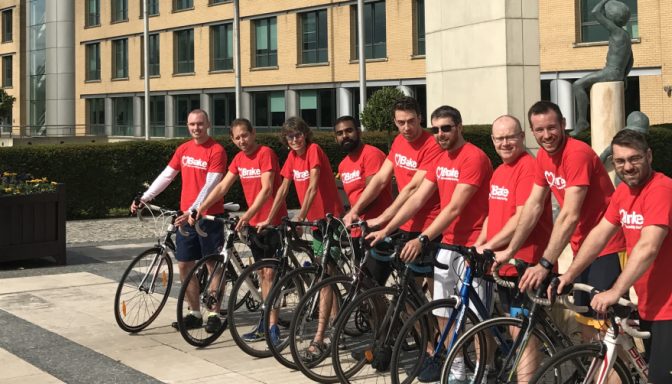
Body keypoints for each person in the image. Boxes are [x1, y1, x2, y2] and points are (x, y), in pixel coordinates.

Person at [367, 105, 493, 382]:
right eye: (436, 129)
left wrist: (423, 238)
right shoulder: (441, 159)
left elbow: (454, 208)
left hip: (474, 244)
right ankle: (456, 367)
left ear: (459, 126)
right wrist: (386, 227)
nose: (440, 134)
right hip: (448, 243)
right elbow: (417, 197)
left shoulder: (474, 158)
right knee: (442, 311)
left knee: (474, 317)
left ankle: (483, 372)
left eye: (446, 128)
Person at [497, 101, 625, 340]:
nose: (547, 135)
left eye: (552, 127)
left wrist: (545, 263)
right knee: (589, 328)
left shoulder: (576, 154)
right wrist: (510, 249)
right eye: (540, 130)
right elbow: (533, 206)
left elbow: (569, 214)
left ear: (564, 125)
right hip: (583, 250)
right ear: (532, 132)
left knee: (605, 334)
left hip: (608, 247)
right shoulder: (544, 157)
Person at [554, 129, 672, 383]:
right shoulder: (623, 193)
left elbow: (648, 247)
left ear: (649, 156)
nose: (627, 167)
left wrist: (616, 290)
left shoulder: (661, 189)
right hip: (649, 302)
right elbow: (599, 235)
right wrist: (569, 275)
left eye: (634, 158)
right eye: (620, 161)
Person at [190, 118, 287, 344]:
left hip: (271, 221)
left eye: (245, 135)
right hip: (254, 224)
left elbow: (267, 189)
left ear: (253, 134)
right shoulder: (238, 159)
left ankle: (273, 327)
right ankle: (264, 322)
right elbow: (223, 186)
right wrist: (200, 208)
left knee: (270, 274)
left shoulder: (265, 153)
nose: (242, 141)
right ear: (232, 140)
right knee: (262, 274)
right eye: (237, 138)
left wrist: (247, 216)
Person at [130, 109, 227, 333]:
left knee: (212, 264)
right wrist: (144, 198)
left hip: (208, 216)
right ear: (187, 125)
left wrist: (194, 210)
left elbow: (211, 185)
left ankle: (214, 313)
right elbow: (167, 175)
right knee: (184, 264)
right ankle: (194, 312)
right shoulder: (183, 149)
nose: (196, 128)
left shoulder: (216, 150)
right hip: (186, 218)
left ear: (208, 124)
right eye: (192, 124)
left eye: (200, 124)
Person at [474, 115, 553, 382]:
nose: (505, 143)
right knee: (513, 324)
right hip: (504, 262)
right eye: (499, 138)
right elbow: (491, 215)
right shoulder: (499, 171)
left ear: (521, 136)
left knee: (523, 330)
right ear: (493, 141)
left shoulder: (528, 168)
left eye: (511, 136)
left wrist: (490, 245)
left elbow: (521, 217)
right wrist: (480, 243)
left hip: (526, 261)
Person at [257, 116, 344, 360]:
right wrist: (269, 218)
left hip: (330, 220)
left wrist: (300, 217)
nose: (295, 140)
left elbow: (313, 186)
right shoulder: (292, 158)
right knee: (327, 273)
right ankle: (337, 323)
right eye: (290, 137)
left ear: (305, 134)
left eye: (298, 135)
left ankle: (320, 336)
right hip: (315, 223)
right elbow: (282, 189)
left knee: (324, 274)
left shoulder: (314, 150)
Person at [343, 96, 443, 273]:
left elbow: (413, 189)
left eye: (411, 121)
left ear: (420, 118)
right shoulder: (399, 141)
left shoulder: (432, 145)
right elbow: (381, 178)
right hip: (404, 221)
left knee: (428, 285)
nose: (406, 127)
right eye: (401, 122)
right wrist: (355, 210)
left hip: (428, 224)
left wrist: (383, 218)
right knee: (405, 285)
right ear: (395, 122)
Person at [335, 115, 394, 286]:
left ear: (358, 132)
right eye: (340, 133)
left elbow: (372, 192)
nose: (345, 136)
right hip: (357, 231)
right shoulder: (343, 165)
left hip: (377, 229)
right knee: (361, 286)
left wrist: (352, 214)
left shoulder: (372, 154)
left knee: (371, 287)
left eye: (349, 130)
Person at [571, 0, 633, 135]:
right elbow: (631, 60)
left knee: (577, 85)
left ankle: (582, 121)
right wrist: (624, 75)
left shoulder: (616, 31)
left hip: (610, 71)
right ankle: (582, 121)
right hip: (617, 73)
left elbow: (595, 12)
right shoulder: (626, 35)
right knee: (580, 84)